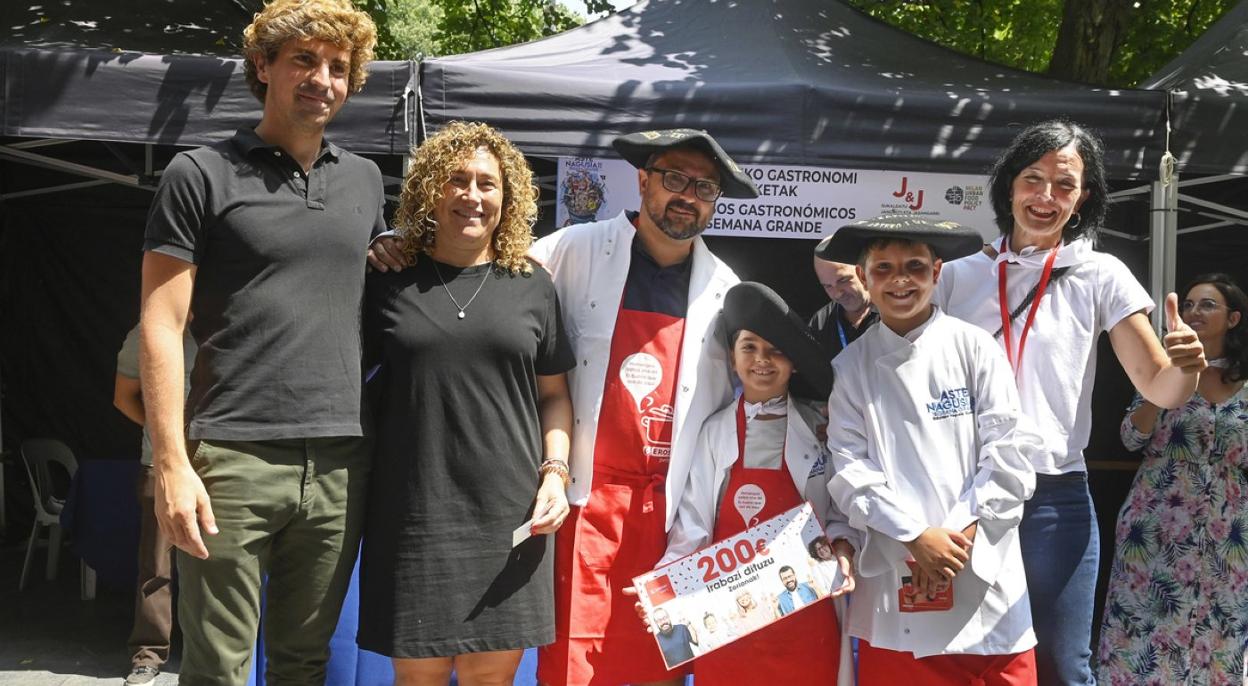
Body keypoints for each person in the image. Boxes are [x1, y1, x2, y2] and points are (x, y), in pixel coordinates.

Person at [138, 1, 384, 682]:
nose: (322, 79)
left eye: (338, 67)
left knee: (305, 664)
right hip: (232, 457)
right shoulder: (199, 173)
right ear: (263, 66)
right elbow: (162, 324)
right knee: (218, 667)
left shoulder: (364, 182)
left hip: (338, 461)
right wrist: (171, 466)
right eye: (304, 60)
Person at [933, 120, 1207, 686]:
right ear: (1009, 185)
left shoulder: (1099, 274)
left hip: (1053, 497)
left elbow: (1160, 386)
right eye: (1033, 179)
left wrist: (1186, 369)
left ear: (1083, 198)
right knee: (964, 664)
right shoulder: (955, 278)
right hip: (962, 497)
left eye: (1064, 185)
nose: (1046, 197)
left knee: (1061, 666)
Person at [524, 128, 759, 686]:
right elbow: (489, 280)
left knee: (661, 665)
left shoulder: (727, 291)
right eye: (675, 178)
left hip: (672, 514)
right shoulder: (570, 250)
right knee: (573, 667)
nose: (688, 195)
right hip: (582, 504)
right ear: (644, 180)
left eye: (704, 187)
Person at [357, 121, 575, 686]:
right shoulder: (386, 279)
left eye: (487, 184)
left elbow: (554, 396)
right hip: (413, 514)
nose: (473, 196)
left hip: (508, 515)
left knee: (489, 681)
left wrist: (555, 473)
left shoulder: (533, 285)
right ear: (431, 189)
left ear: (509, 198)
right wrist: (378, 244)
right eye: (457, 180)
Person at [822, 214, 1044, 684]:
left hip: (983, 574)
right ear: (863, 276)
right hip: (896, 575)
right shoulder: (850, 368)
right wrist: (914, 537)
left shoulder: (977, 348)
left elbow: (1010, 455)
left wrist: (953, 537)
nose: (900, 280)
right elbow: (849, 470)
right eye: (884, 268)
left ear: (938, 272)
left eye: (915, 267)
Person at [654, 280, 853, 685]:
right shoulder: (713, 432)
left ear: (794, 362)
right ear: (731, 358)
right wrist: (662, 588)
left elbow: (840, 511)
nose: (762, 360)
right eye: (750, 348)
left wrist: (844, 546)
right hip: (728, 613)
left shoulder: (822, 429)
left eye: (777, 350)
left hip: (805, 608)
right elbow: (693, 524)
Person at [1097, 273, 1248, 685]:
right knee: (1142, 638)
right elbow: (1131, 437)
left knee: (1217, 638)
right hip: (1156, 526)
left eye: (1207, 304)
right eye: (1190, 304)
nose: (1194, 311)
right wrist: (1168, 383)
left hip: (1228, 536)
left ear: (1233, 318)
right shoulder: (1162, 373)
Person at [113, 323, 196, 685]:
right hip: (161, 464)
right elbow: (123, 396)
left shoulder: (231, 318)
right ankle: (147, 654)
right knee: (157, 566)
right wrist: (166, 437)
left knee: (224, 567)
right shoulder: (149, 332)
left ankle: (209, 652)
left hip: (224, 463)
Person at [808, 254, 877, 359]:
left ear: (863, 272)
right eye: (828, 286)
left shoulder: (895, 312)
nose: (837, 294)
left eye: (843, 280)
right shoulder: (820, 322)